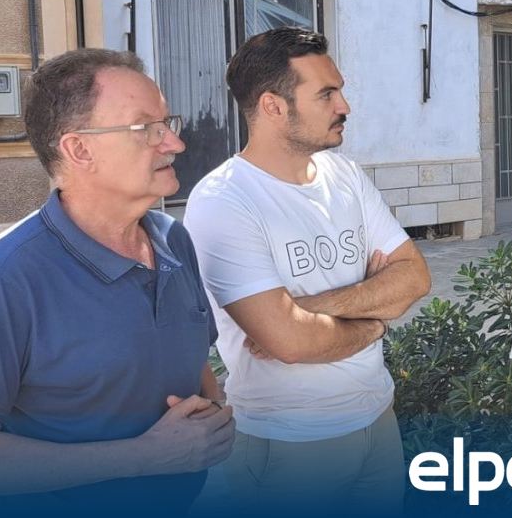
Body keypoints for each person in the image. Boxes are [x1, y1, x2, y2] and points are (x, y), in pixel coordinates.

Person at [0, 49, 235, 514]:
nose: (174, 143)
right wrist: (144, 456)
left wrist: (212, 412)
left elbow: (196, 363)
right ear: (79, 150)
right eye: (146, 128)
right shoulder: (4, 277)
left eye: (167, 122)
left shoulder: (173, 239)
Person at [184, 27, 431, 515]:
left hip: (378, 421)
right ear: (273, 106)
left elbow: (414, 277)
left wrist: (311, 307)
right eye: (326, 94)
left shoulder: (346, 176)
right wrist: (376, 320)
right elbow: (291, 344)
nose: (345, 106)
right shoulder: (224, 200)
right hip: (291, 444)